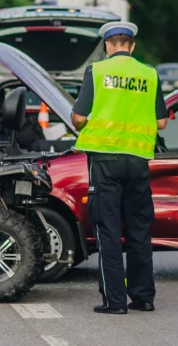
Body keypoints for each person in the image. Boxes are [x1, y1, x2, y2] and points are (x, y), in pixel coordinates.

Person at [71, 21, 169, 315]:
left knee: (108, 230)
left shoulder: (97, 72)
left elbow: (78, 117)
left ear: (108, 46)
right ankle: (143, 297)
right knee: (139, 230)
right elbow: (161, 122)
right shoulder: (149, 75)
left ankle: (114, 301)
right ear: (132, 45)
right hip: (138, 161)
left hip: (105, 163)